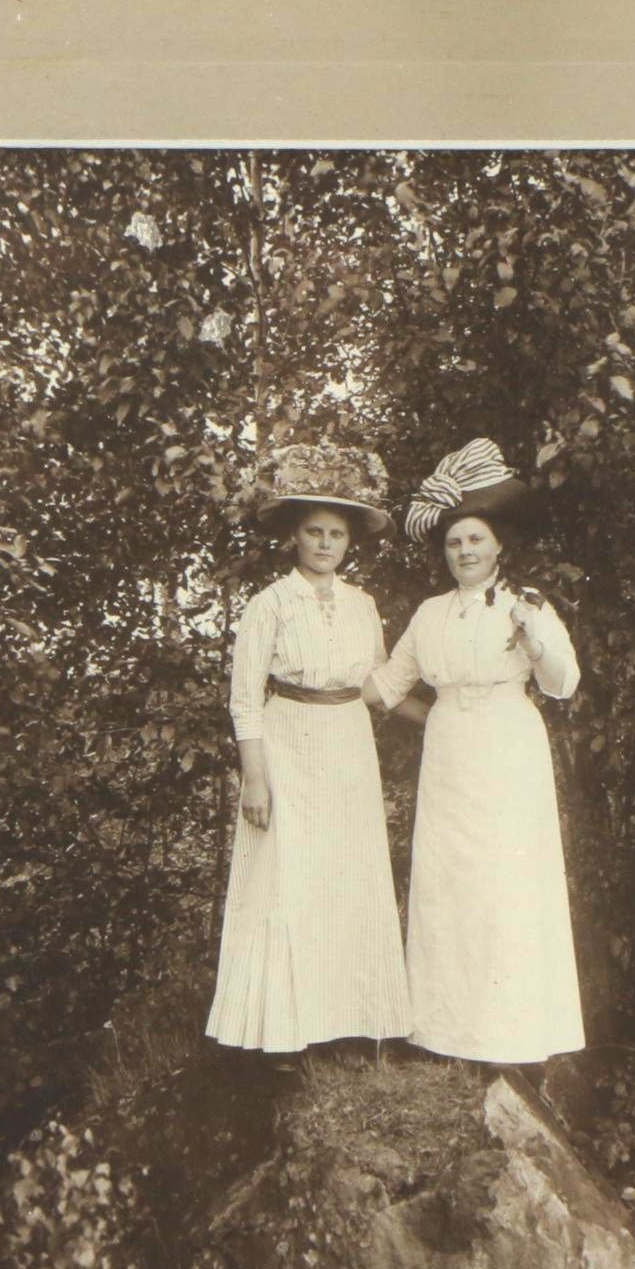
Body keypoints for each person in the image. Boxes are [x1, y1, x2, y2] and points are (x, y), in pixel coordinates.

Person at [365, 439, 585, 1066]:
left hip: (509, 749)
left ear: (498, 548)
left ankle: (512, 1038)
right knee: (447, 883)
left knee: (505, 883)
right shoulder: (430, 614)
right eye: (455, 543)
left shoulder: (528, 605)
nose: (465, 552)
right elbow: (384, 690)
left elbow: (564, 684)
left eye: (476, 541)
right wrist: (430, 715)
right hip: (450, 755)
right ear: (445, 553)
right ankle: (443, 1034)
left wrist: (534, 641)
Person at [205, 443, 413, 1057]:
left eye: (336, 534)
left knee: (349, 873)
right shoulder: (269, 604)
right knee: (289, 877)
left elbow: (377, 687)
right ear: (294, 539)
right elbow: (245, 699)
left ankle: (352, 1024)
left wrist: (443, 717)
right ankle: (283, 1030)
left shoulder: (363, 606)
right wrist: (256, 778)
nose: (325, 543)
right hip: (288, 739)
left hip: (347, 742)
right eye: (313, 532)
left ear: (350, 544)